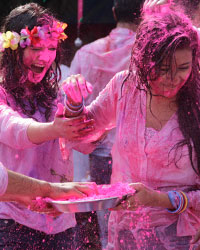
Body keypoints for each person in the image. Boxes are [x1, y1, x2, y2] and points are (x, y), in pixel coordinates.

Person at [63, 5, 200, 249]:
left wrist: (160, 199)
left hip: (182, 238)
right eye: (164, 69)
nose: (173, 79)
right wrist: (74, 103)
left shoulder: (197, 102)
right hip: (125, 234)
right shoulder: (124, 87)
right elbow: (82, 138)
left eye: (183, 68)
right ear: (144, 60)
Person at [0, 3, 96, 250]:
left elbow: (86, 145)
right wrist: (56, 129)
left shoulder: (55, 94)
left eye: (51, 48)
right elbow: (14, 131)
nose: (44, 56)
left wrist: (75, 104)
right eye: (35, 48)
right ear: (12, 51)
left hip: (61, 221)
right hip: (12, 221)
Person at [69, 0, 144, 248]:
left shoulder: (85, 53)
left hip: (99, 154)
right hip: (140, 154)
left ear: (114, 13)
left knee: (107, 229)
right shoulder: (149, 52)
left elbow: (71, 107)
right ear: (143, 15)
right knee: (142, 226)